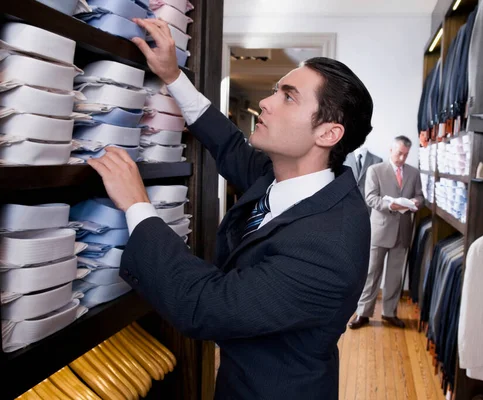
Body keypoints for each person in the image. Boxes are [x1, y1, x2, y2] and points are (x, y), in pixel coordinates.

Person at [87, 18, 374, 400]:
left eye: (288, 96)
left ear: (328, 133)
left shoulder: (329, 245)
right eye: (275, 91)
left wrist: (137, 204)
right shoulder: (288, 174)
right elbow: (230, 146)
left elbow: (204, 305)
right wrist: (173, 77)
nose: (266, 103)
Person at [348, 136, 424, 330]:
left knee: (394, 276)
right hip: (380, 230)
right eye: (399, 153)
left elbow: (419, 196)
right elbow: (371, 198)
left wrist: (416, 202)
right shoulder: (376, 170)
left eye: (406, 155)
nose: (402, 158)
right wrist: (390, 204)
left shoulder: (414, 173)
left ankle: (389, 313)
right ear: (391, 150)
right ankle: (363, 313)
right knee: (371, 274)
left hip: (403, 231)